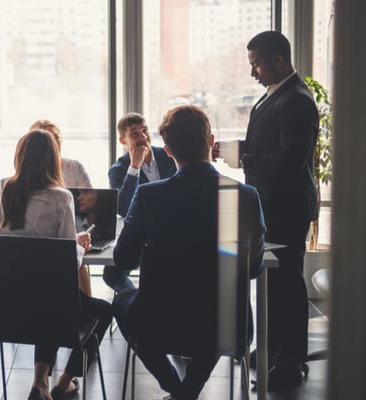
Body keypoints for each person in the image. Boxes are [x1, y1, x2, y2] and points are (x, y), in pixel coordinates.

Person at [112, 105, 266, 400]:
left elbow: (122, 260)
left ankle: (176, 388)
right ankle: (189, 390)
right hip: (227, 324)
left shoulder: (149, 197)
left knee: (122, 303)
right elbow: (255, 268)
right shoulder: (244, 196)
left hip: (160, 321)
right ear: (211, 141)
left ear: (167, 150)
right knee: (217, 308)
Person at [221, 30, 319, 390]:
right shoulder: (274, 96)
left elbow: (291, 159)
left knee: (288, 286)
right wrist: (235, 150)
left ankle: (291, 363)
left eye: (256, 63)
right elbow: (271, 144)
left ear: (279, 59)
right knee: (274, 285)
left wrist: (246, 158)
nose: (253, 73)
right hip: (270, 203)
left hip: (286, 207)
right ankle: (276, 353)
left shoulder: (297, 100)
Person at [0, 130, 112, 400]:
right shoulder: (60, 197)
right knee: (97, 310)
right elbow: (66, 260)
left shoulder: (0, 188)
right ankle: (64, 381)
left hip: (6, 308)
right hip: (50, 306)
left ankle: (39, 383)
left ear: (19, 156)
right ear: (53, 160)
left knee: (49, 296)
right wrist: (79, 244)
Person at [105, 113, 177, 292]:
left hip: (172, 227)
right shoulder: (118, 169)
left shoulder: (169, 156)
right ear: (123, 140)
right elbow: (122, 208)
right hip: (141, 232)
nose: (143, 137)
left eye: (145, 131)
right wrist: (134, 167)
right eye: (135, 133)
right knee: (112, 274)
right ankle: (135, 299)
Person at [29, 120, 92, 188]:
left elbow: (90, 195)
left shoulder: (75, 167)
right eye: (49, 140)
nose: (55, 143)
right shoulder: (29, 172)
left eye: (56, 137)